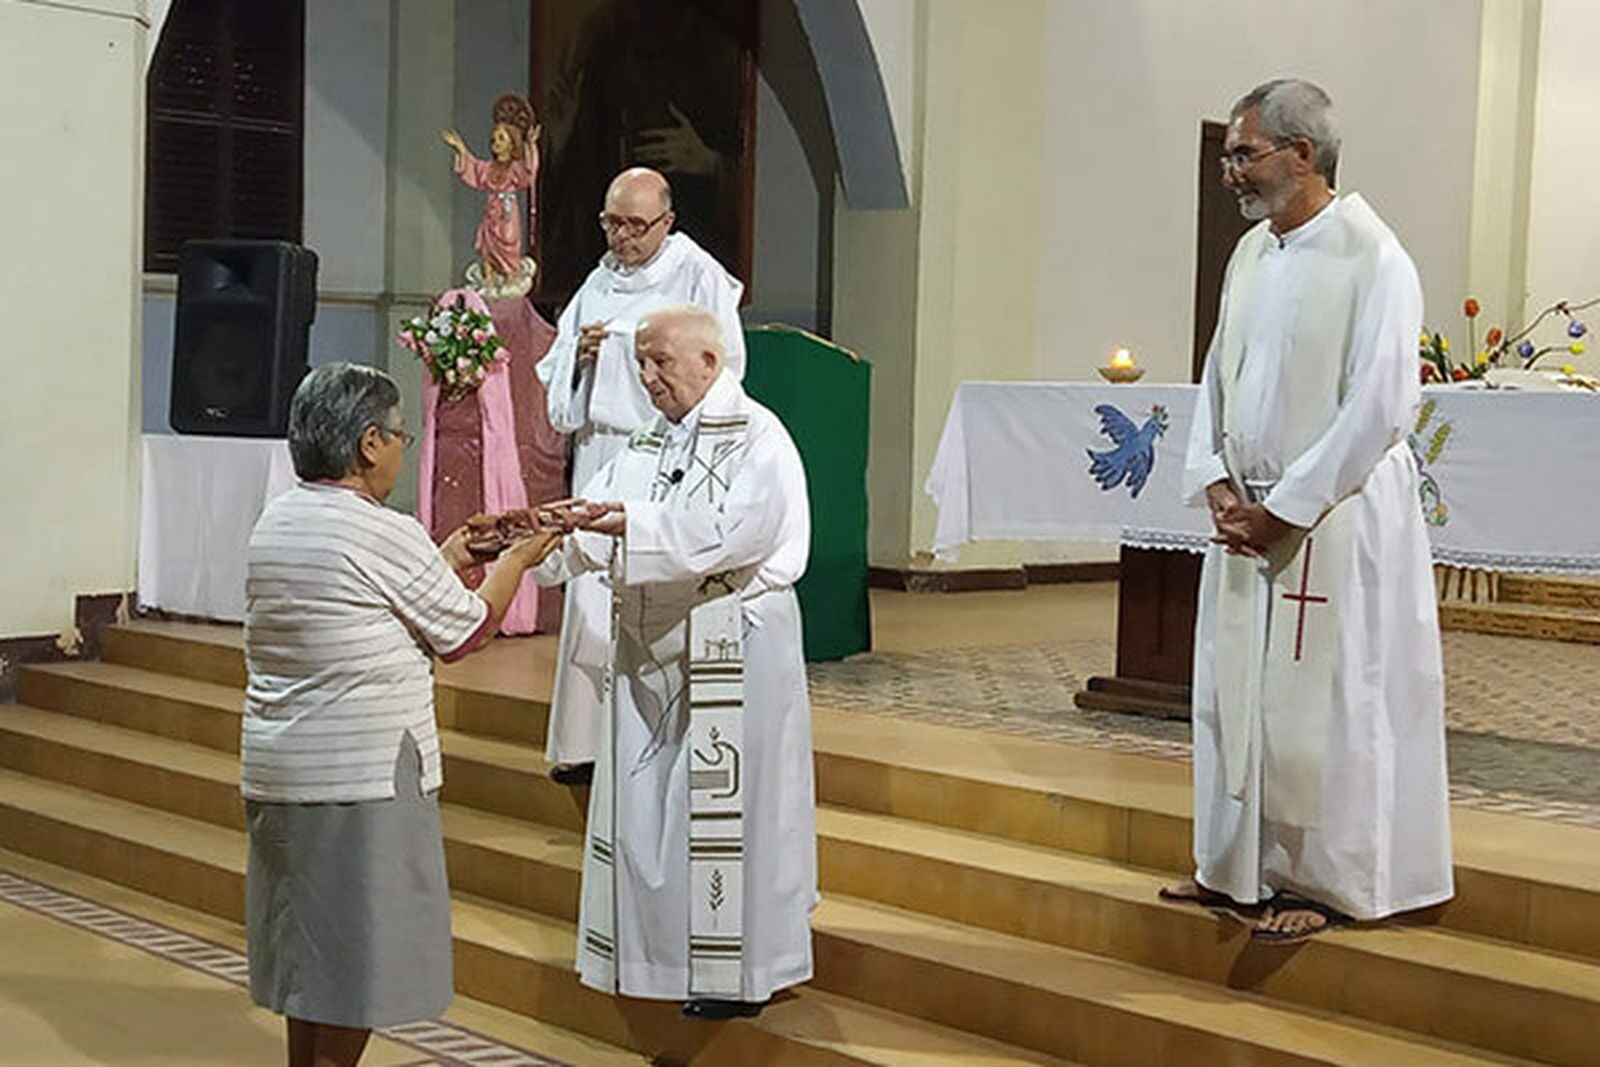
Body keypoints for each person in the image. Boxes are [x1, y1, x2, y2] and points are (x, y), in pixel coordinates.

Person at [1167, 79, 1454, 943]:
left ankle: (1328, 879)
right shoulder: (1253, 253)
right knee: (1238, 692)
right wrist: (1216, 477)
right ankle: (1236, 866)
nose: (1231, 173)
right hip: (1253, 518)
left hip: (1335, 518)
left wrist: (1288, 508)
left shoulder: (1374, 255)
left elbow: (1379, 404)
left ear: (1303, 153)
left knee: (1332, 697)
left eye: (1244, 153)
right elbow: (1217, 376)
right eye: (1228, 155)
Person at [241, 362, 562, 1067]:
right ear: (366, 444)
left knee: (310, 965)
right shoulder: (378, 530)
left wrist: (452, 553)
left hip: (284, 769)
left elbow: (373, 600)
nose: (402, 447)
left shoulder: (280, 517)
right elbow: (467, 631)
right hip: (361, 779)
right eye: (397, 436)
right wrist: (519, 557)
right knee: (355, 967)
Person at [533, 304, 815, 1019]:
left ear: (709, 363)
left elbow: (736, 531)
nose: (648, 379)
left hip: (734, 639)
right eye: (642, 365)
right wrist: (551, 541)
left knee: (728, 812)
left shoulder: (759, 436)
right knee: (653, 814)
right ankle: (656, 962)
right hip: (652, 645)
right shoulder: (651, 439)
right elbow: (606, 510)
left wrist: (627, 523)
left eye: (660, 363)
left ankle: (742, 974)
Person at [535, 166, 747, 784]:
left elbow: (725, 365)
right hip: (603, 450)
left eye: (634, 224)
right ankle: (583, 743)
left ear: (667, 222)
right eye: (611, 222)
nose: (621, 237)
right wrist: (581, 358)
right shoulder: (601, 278)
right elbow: (556, 366)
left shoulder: (697, 274)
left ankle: (649, 737)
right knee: (591, 592)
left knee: (648, 590)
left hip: (663, 453)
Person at [442, 93, 540, 296]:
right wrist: (460, 148)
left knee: (508, 245)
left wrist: (530, 145)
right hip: (491, 213)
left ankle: (510, 285)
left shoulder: (514, 169)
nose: (496, 143)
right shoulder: (489, 168)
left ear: (512, 143)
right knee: (486, 249)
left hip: (506, 214)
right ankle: (487, 285)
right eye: (494, 139)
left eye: (501, 139)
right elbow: (475, 169)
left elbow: (528, 171)